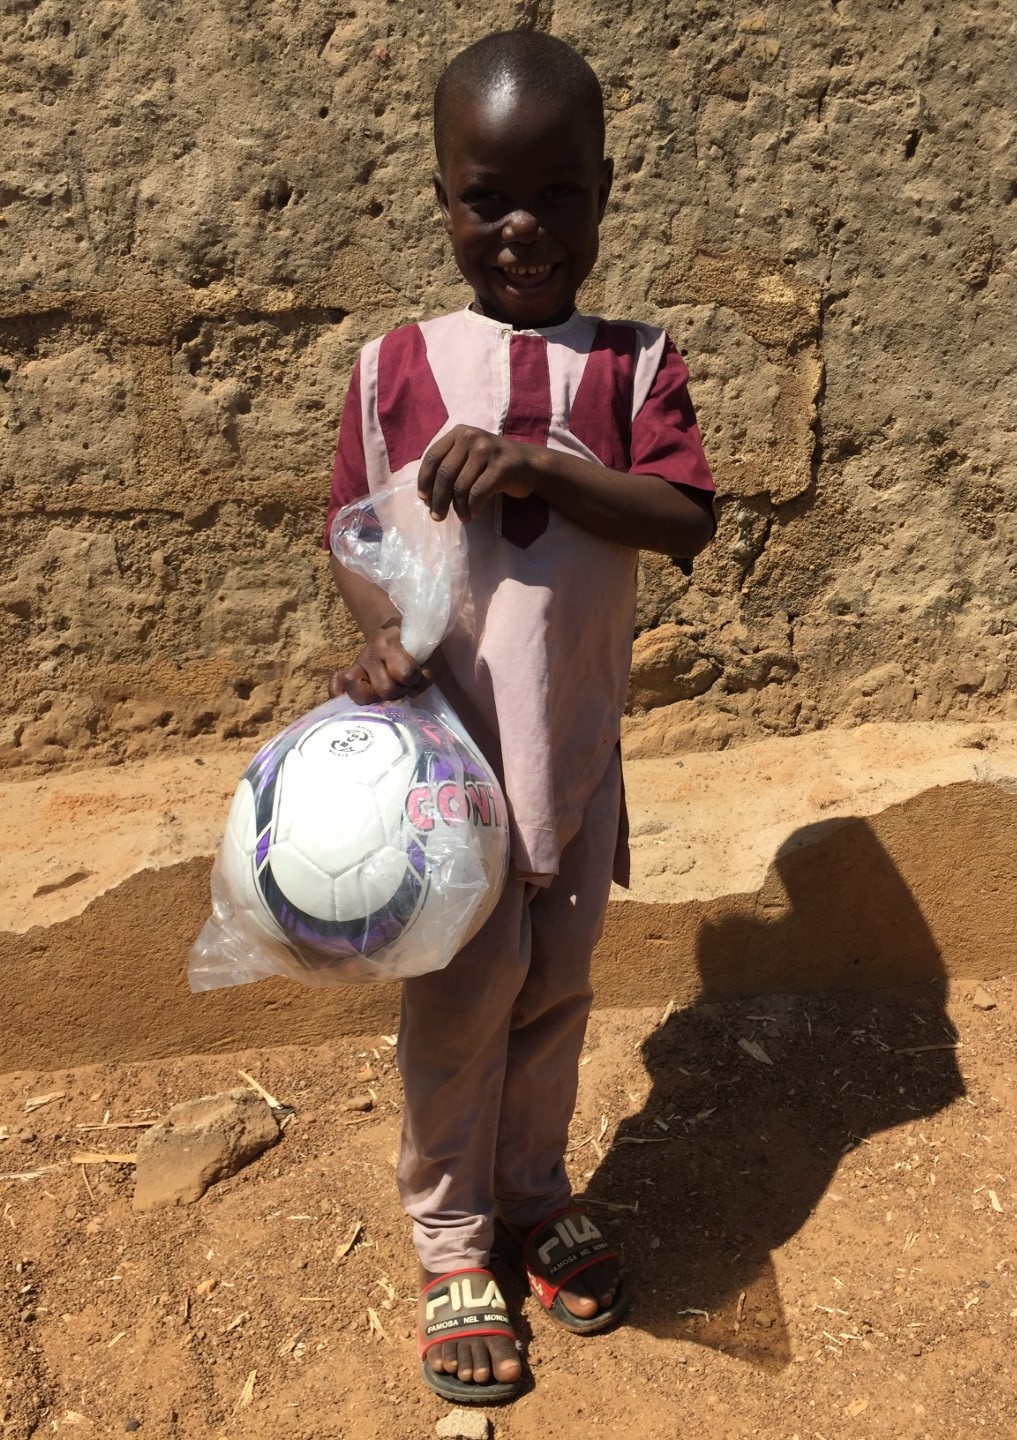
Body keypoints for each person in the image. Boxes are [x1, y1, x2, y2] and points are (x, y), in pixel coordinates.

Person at [324, 29, 716, 1403]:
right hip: (449, 773)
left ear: (604, 190)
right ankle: (452, 1240)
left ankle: (536, 1192)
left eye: (558, 194)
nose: (523, 229)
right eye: (488, 198)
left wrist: (544, 466)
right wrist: (384, 640)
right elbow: (354, 532)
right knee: (459, 1002)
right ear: (441, 198)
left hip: (576, 757)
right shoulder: (393, 369)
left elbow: (683, 519)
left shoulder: (635, 366)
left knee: (555, 991)